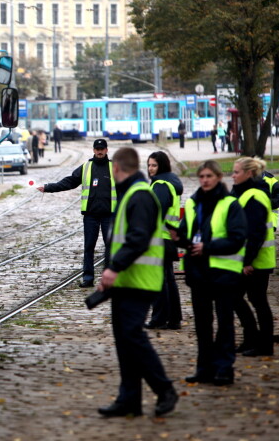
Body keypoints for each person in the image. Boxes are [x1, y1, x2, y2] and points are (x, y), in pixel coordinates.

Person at [97, 147, 178, 418]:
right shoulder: (132, 193)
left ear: (118, 168)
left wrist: (114, 268)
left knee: (132, 336)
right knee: (124, 339)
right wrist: (111, 272)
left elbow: (139, 238)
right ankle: (129, 398)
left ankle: (164, 388)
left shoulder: (140, 195)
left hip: (140, 281)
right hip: (125, 280)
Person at [170, 160, 247, 386]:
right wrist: (179, 237)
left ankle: (224, 368)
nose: (204, 180)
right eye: (201, 176)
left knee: (224, 323)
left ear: (218, 178)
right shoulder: (194, 203)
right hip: (198, 272)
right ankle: (204, 368)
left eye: (208, 176)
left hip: (223, 271)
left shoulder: (230, 204)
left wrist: (208, 247)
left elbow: (237, 238)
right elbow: (188, 235)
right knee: (203, 325)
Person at [37, 139, 115, 288]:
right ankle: (88, 278)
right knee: (89, 246)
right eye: (97, 149)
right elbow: (69, 182)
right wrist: (48, 187)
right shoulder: (86, 167)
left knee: (111, 247)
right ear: (93, 150)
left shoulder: (114, 168)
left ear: (106, 150)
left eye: (102, 149)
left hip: (109, 214)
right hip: (90, 215)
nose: (99, 151)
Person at [231, 158, 276, 356]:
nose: (232, 175)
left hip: (256, 261)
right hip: (253, 260)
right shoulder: (246, 194)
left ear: (248, 174)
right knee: (245, 299)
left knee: (256, 301)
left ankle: (262, 343)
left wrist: (246, 261)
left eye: (236, 172)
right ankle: (253, 339)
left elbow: (255, 233)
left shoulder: (254, 196)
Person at [145, 152, 183, 330]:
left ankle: (159, 318)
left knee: (158, 281)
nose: (150, 169)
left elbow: (154, 213)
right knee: (168, 280)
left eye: (154, 165)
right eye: (149, 165)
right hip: (167, 238)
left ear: (162, 166)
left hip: (159, 238)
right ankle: (174, 318)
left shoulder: (160, 185)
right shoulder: (171, 182)